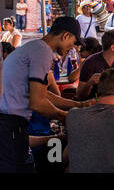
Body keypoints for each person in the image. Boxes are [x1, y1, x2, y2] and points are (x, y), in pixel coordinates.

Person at [0, 16, 90, 173]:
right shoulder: (42, 52)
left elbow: (43, 94)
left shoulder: (33, 48)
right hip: (12, 126)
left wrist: (77, 105)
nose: (73, 47)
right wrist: (67, 117)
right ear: (65, 36)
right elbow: (38, 102)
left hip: (10, 125)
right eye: (74, 42)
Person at [76, 29, 114, 100]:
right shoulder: (90, 62)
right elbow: (79, 95)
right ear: (113, 47)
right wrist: (89, 83)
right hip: (94, 105)